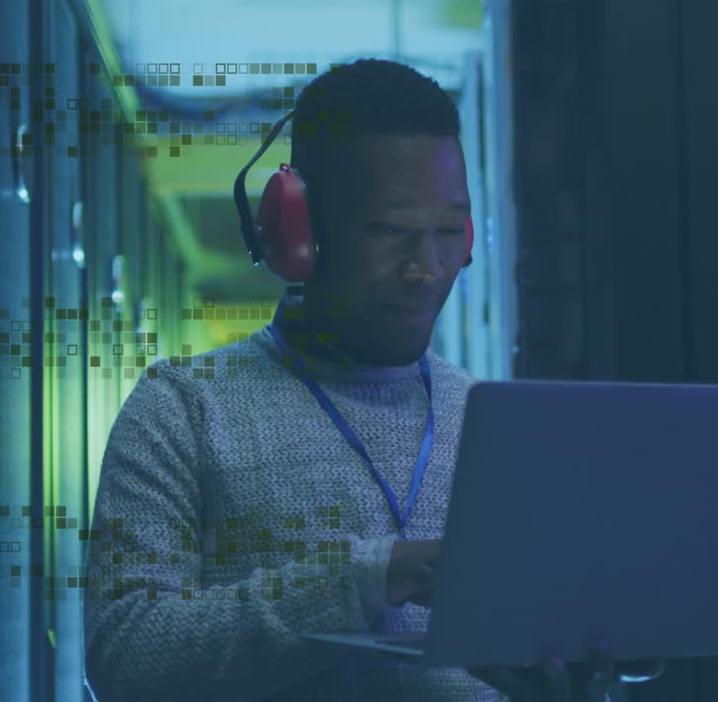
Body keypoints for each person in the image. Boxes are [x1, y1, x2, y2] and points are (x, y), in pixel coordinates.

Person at [84, 58, 662, 701]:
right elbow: (126, 661)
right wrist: (367, 577)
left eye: (447, 232)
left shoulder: (497, 423)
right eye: (390, 230)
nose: (427, 268)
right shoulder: (183, 411)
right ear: (297, 231)